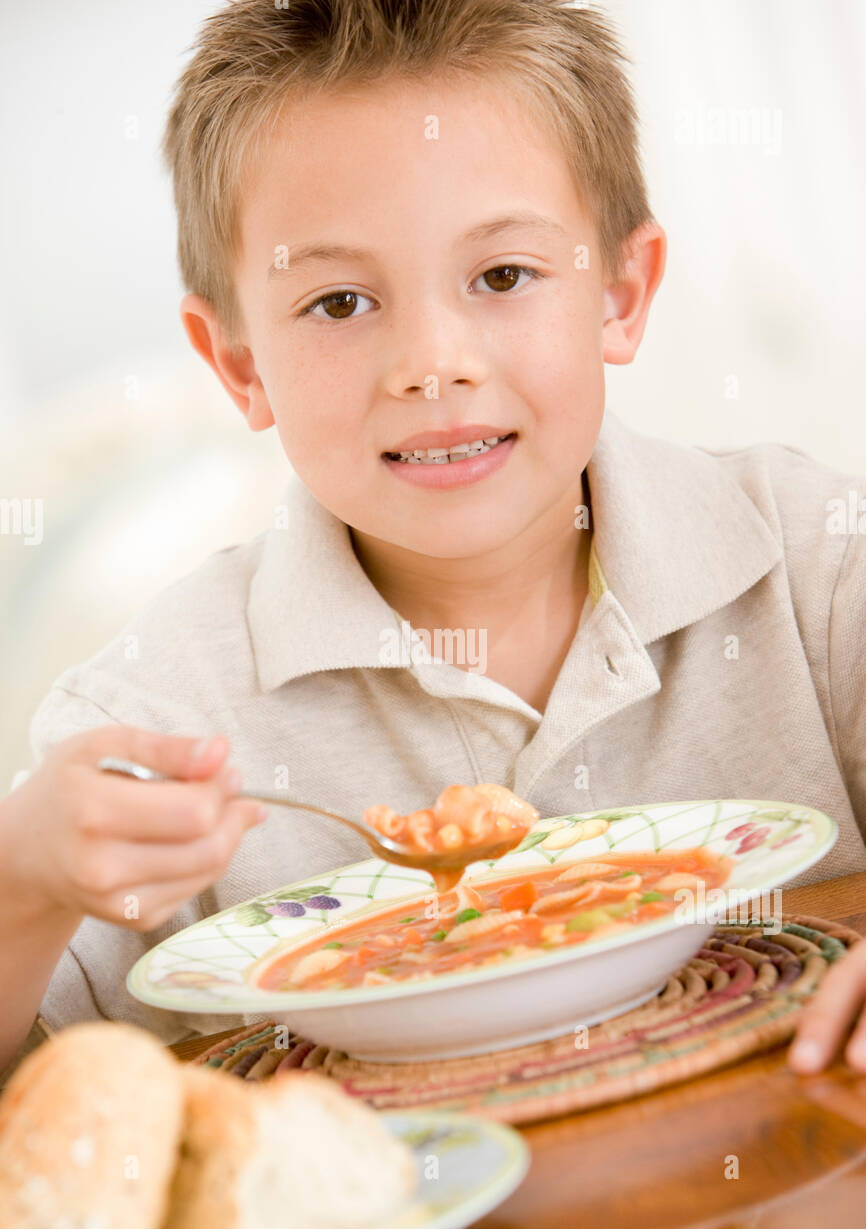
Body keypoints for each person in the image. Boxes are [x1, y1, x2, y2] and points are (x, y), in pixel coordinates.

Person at [1, 0, 865, 1080]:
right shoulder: (161, 712)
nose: (430, 361)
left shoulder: (816, 567)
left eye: (501, 276)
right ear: (238, 366)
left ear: (620, 294)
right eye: (339, 300)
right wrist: (23, 882)